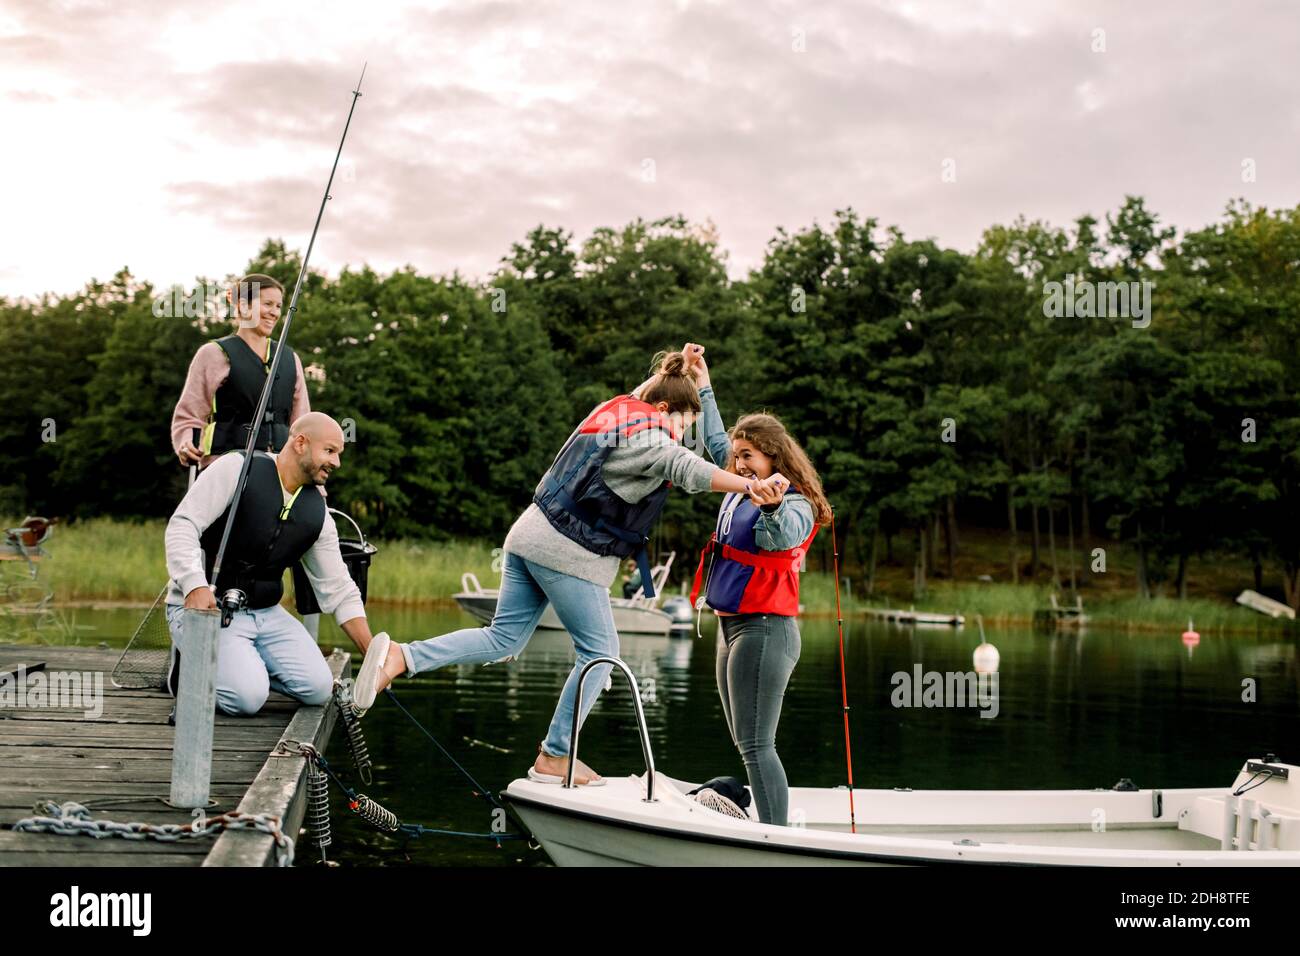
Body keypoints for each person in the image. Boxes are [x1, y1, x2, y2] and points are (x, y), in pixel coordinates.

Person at [351, 347, 782, 786]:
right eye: (683, 426)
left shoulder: (616, 410)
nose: (682, 436)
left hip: (527, 535)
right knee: (601, 654)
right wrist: (753, 486)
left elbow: (651, 396)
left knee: (502, 638)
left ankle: (401, 656)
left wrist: (696, 379)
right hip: (567, 552)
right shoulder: (653, 439)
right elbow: (689, 469)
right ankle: (556, 756)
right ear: (665, 410)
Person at [686, 344, 832, 825]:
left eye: (748, 456)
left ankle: (773, 838)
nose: (739, 464)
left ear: (772, 457)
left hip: (766, 630)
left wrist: (770, 507)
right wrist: (702, 383)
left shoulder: (791, 501)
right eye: (737, 456)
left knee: (756, 744)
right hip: (732, 629)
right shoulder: (741, 483)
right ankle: (767, 825)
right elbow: (712, 440)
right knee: (744, 740)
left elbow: (784, 536)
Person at [164, 412, 388, 716]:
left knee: (317, 688)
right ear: (300, 443)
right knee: (247, 699)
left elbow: (339, 590)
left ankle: (236, 668)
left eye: (339, 454)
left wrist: (372, 652)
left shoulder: (318, 514)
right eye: (330, 451)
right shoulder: (235, 469)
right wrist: (194, 584)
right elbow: (182, 526)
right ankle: (193, 672)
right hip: (205, 610)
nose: (337, 463)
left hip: (266, 613)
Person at [171, 273, 310, 470]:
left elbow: (304, 424)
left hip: (279, 470)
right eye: (267, 303)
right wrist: (186, 443)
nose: (274, 312)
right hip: (225, 467)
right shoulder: (213, 354)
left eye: (278, 306)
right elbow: (189, 416)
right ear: (243, 306)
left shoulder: (290, 359)